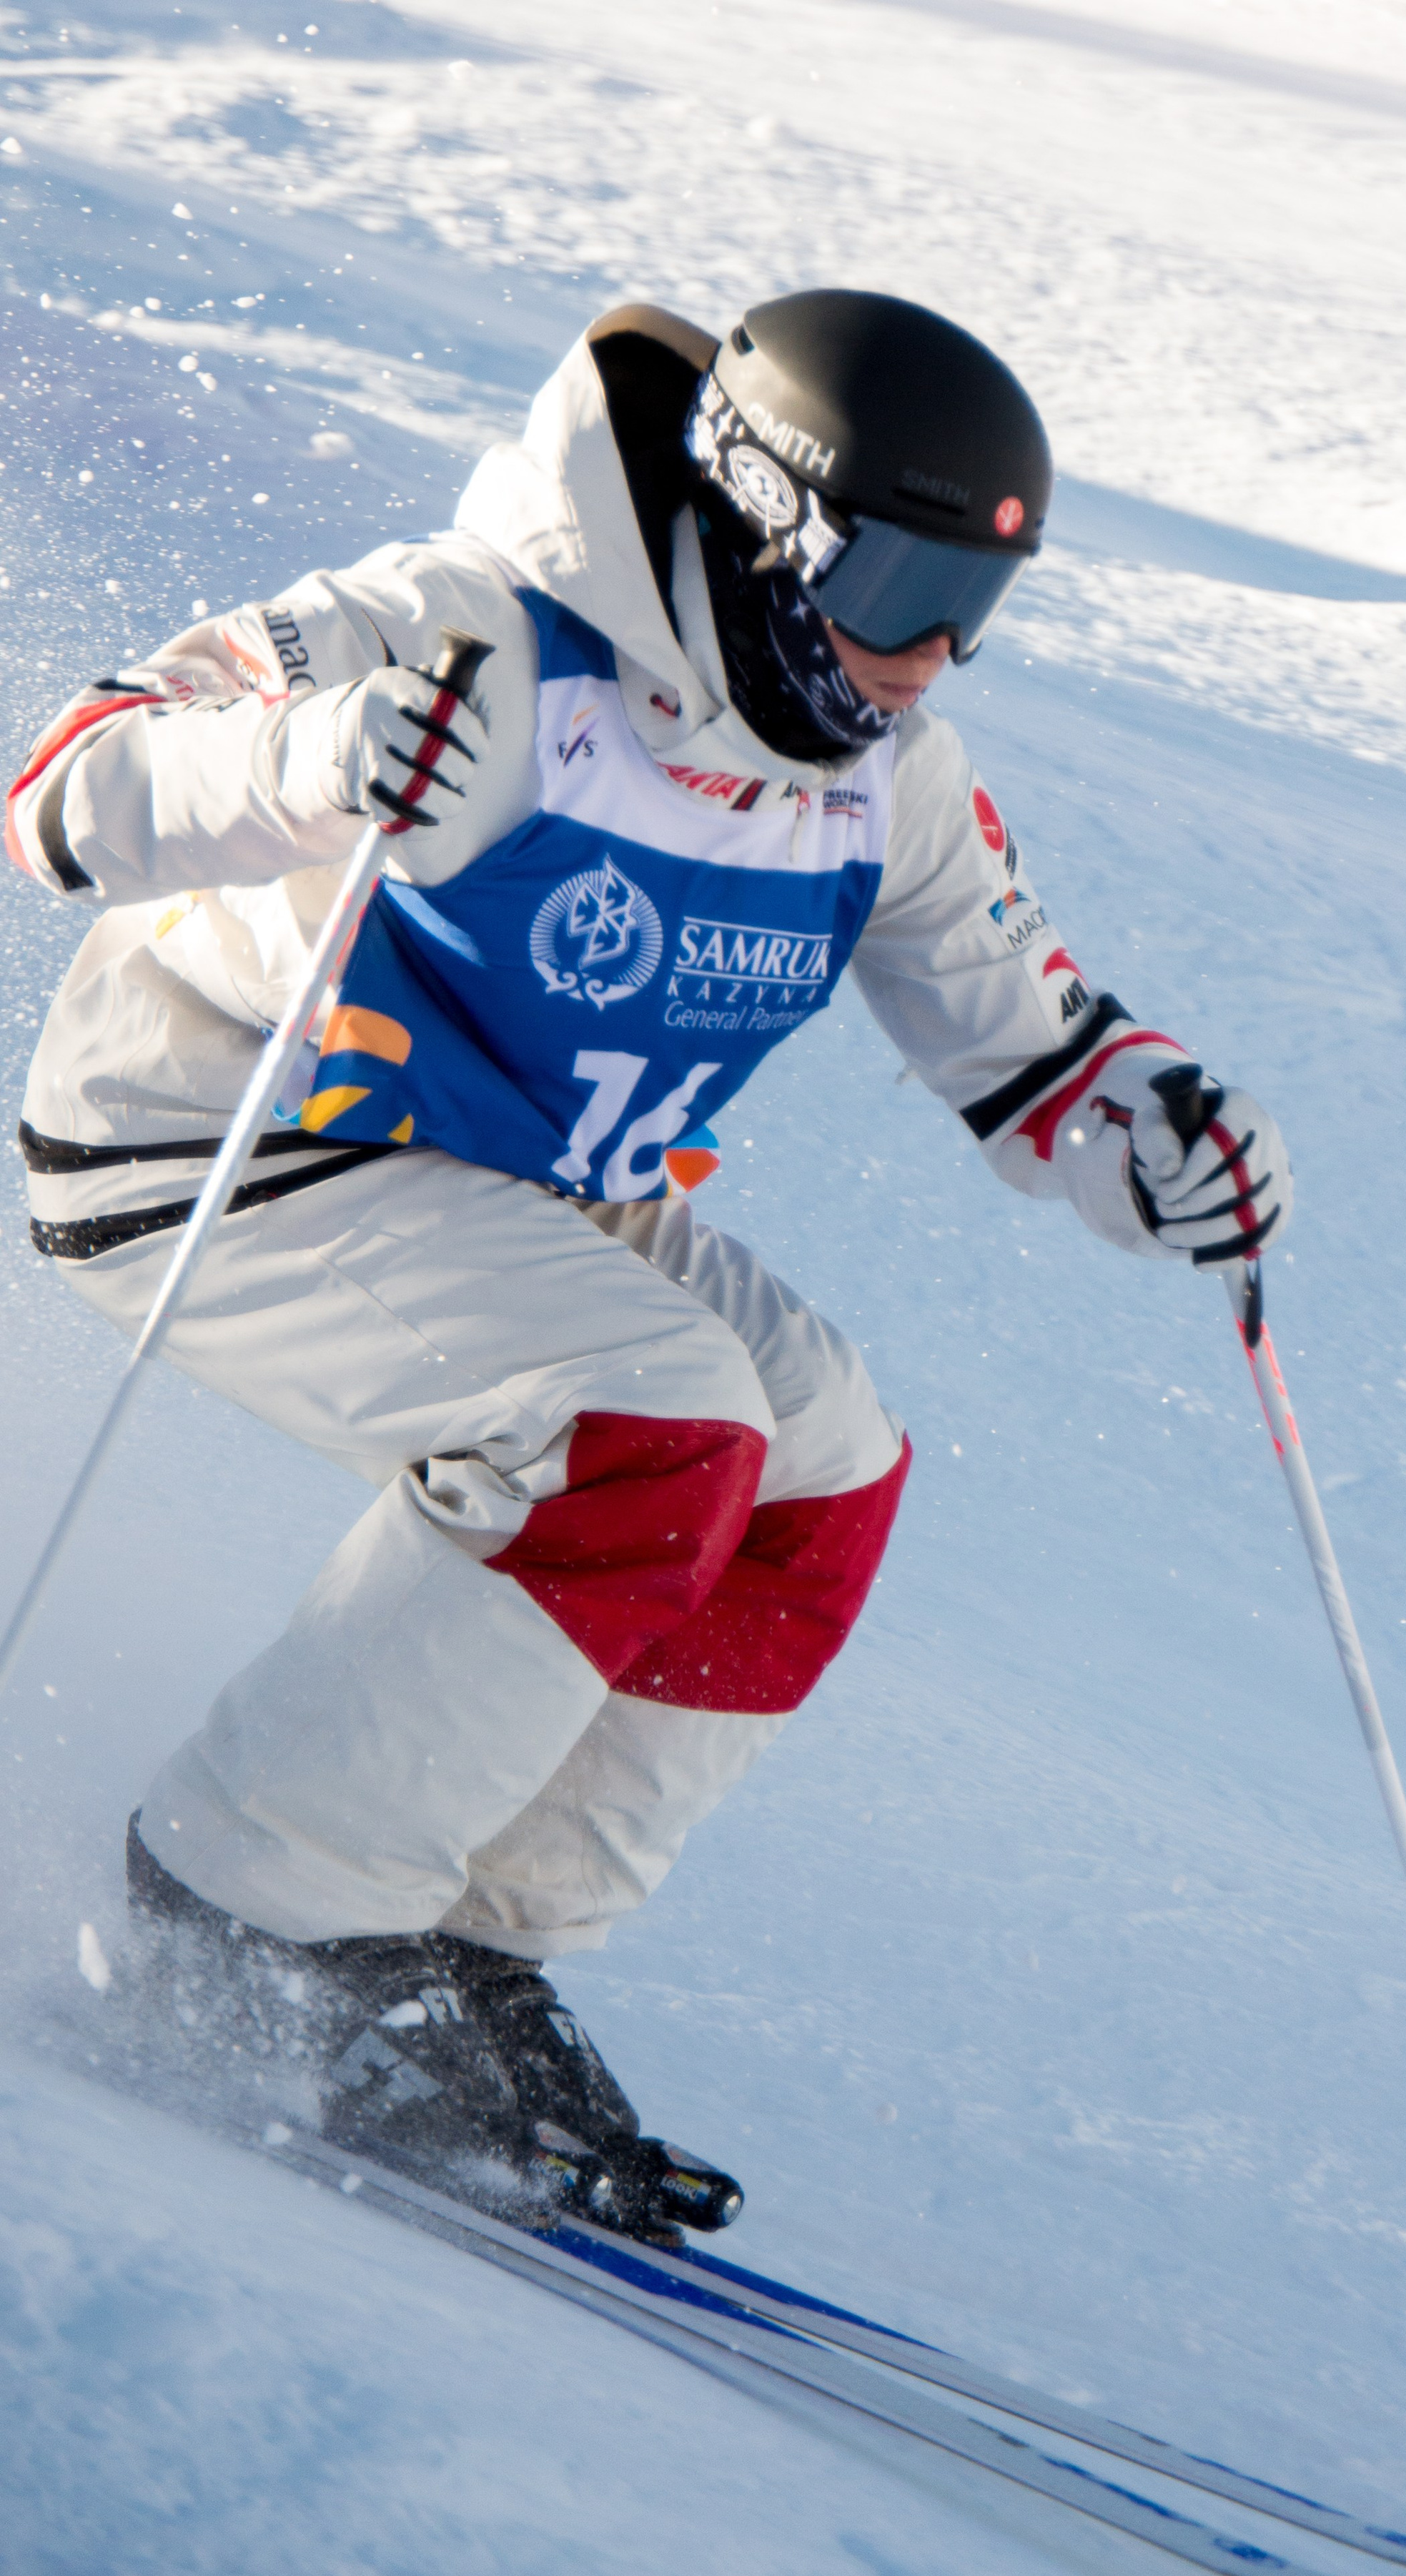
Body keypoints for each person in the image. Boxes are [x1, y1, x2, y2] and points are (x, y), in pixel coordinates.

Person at [8, 290, 1291, 2239]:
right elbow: (62, 784)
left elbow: (1028, 1043)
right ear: (771, 528)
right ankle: (251, 1909)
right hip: (229, 1131)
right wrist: (313, 757)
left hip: (516, 1182)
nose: (926, 654)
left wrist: (1155, 1132)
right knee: (645, 1427)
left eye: (975, 607)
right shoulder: (475, 630)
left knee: (821, 1471)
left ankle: (459, 1944)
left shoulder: (885, 773)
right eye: (897, 583)